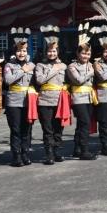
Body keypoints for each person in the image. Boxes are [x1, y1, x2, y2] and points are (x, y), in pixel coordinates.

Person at [35, 37, 70, 165]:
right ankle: (49, 154)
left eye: (54, 51)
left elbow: (68, 81)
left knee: (59, 128)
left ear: (58, 52)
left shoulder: (64, 66)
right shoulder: (40, 65)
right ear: (45, 52)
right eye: (49, 51)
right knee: (47, 129)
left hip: (60, 101)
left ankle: (57, 152)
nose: (52, 53)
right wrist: (54, 70)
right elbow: (39, 80)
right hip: (45, 100)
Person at [3, 35, 37, 167]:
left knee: (27, 129)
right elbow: (8, 80)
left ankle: (25, 153)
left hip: (28, 101)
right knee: (15, 129)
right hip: (13, 101)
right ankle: (16, 156)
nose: (21, 53)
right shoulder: (9, 65)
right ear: (14, 51)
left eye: (24, 51)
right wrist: (23, 70)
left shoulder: (32, 65)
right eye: (18, 50)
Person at [67, 44, 98, 160]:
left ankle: (77, 148)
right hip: (78, 97)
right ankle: (85, 150)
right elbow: (78, 80)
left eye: (88, 53)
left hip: (89, 97)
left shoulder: (91, 65)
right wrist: (91, 72)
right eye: (83, 53)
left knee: (81, 124)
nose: (86, 56)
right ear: (78, 53)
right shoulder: (71, 66)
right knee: (85, 123)